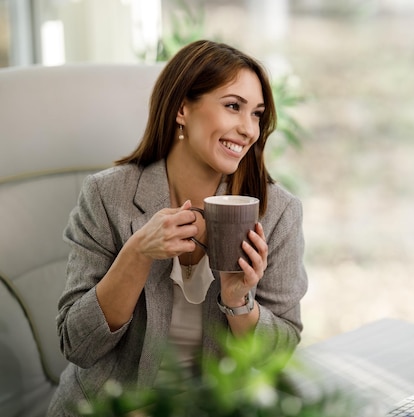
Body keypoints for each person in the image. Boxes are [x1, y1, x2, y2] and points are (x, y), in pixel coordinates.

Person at [47, 40, 308, 416]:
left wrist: (239, 301)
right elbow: (77, 345)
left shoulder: (277, 212)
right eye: (233, 106)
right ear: (183, 108)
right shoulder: (107, 195)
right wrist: (137, 253)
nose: (248, 129)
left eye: (257, 114)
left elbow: (278, 356)